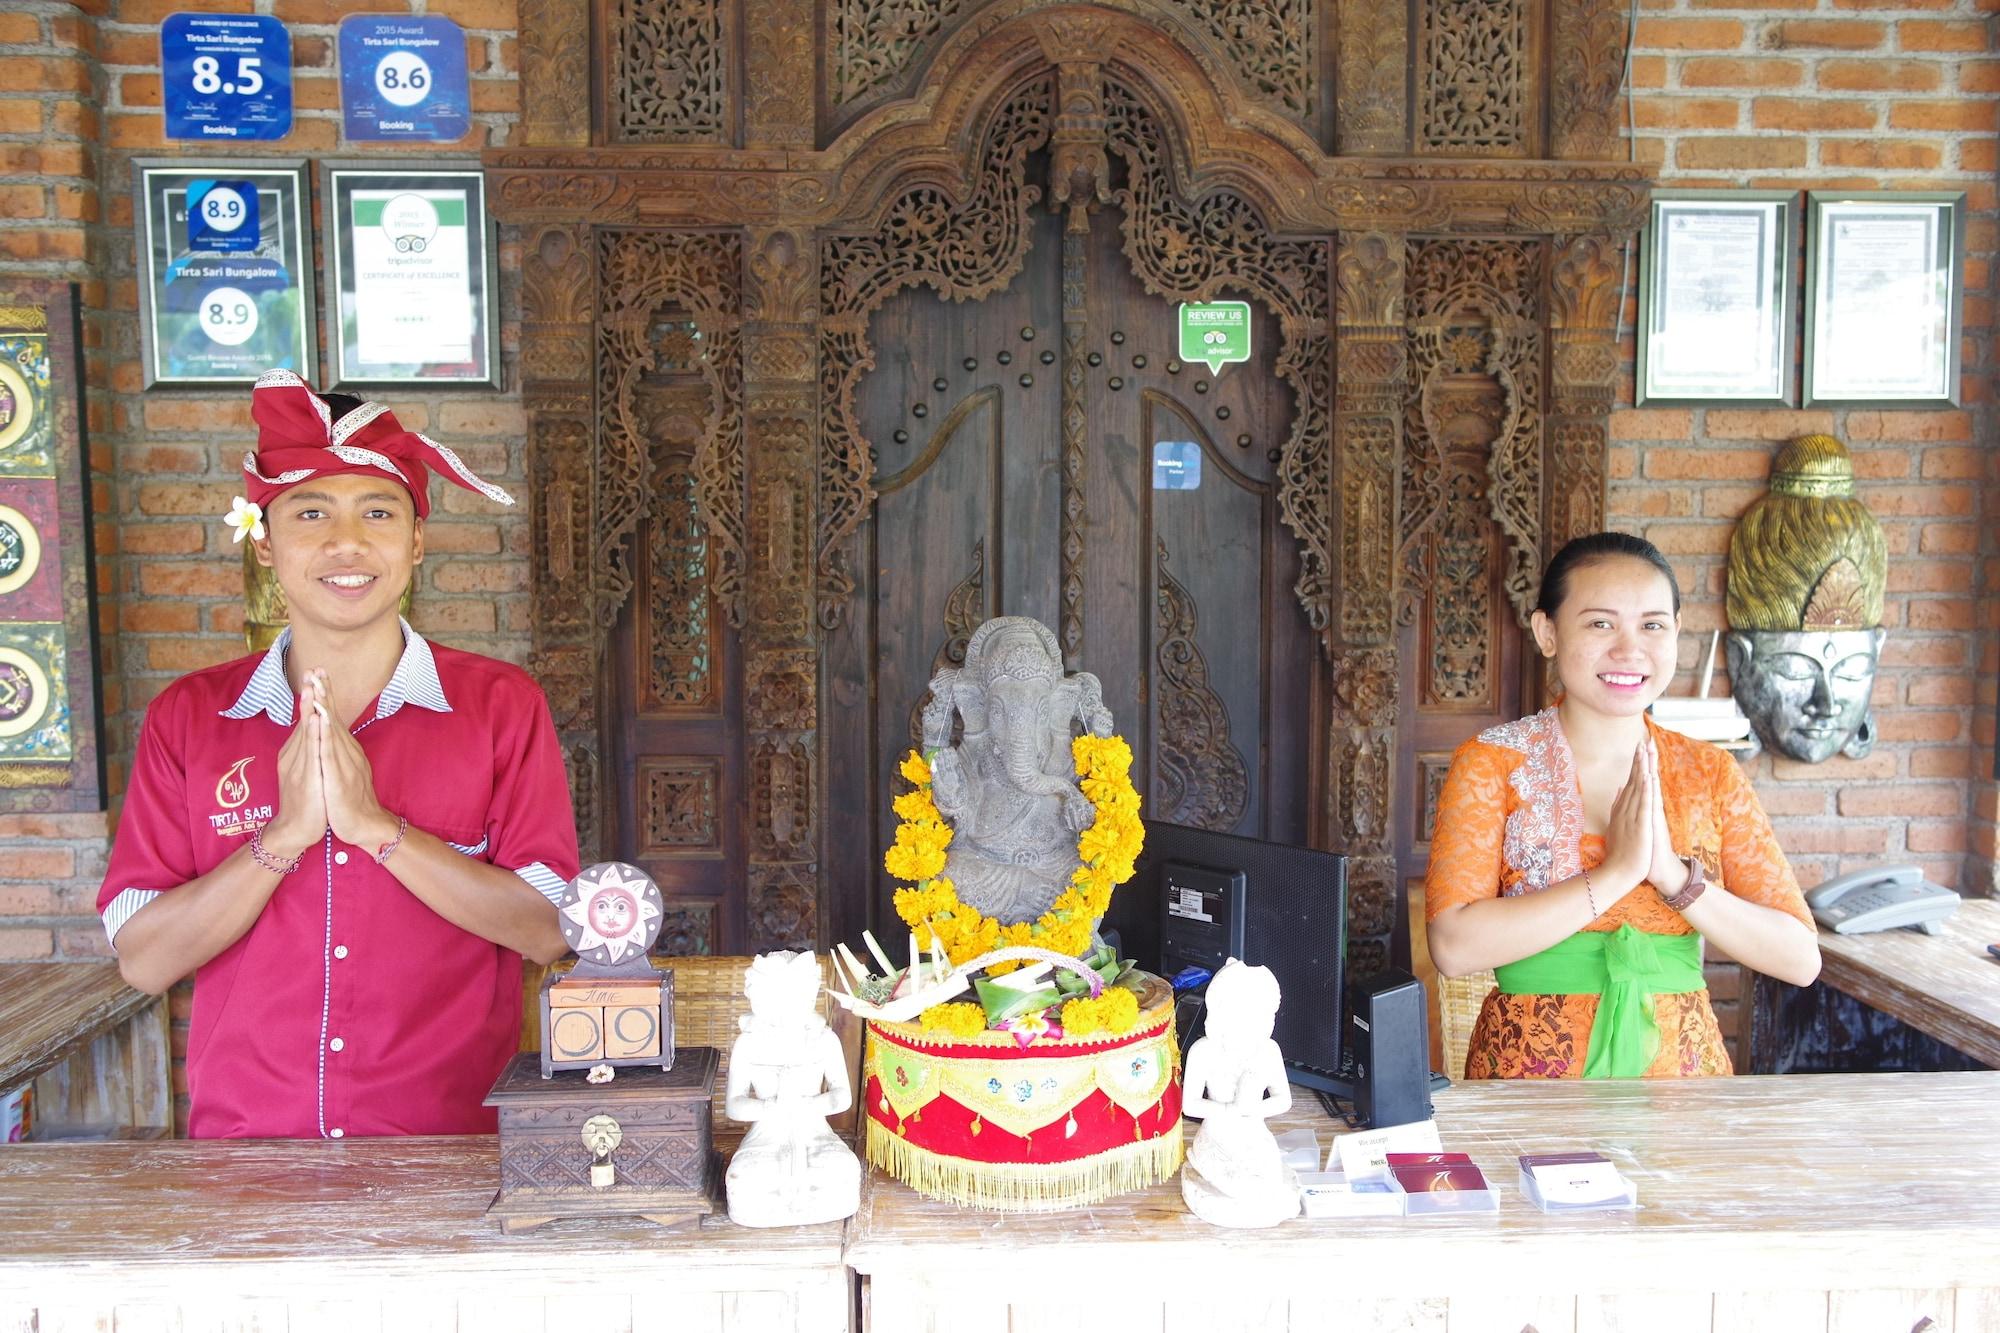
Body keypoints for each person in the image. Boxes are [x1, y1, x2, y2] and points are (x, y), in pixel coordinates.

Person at [96, 370, 578, 1137]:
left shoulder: (498, 706)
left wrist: (376, 828)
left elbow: (549, 927)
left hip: (449, 1154)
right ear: (264, 539)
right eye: (310, 509)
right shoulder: (190, 719)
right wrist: (281, 837)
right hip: (247, 1162)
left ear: (416, 540)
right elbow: (144, 959)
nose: (345, 542)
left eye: (378, 511)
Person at [1425, 532, 1820, 1079]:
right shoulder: (1491, 763)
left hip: (1684, 1089)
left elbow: (1799, 959)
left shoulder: (1711, 773)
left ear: (1677, 633)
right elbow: (1453, 947)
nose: (1629, 649)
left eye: (1652, 625)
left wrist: (1672, 876)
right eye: (1600, 623)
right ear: (1547, 632)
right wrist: (1615, 875)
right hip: (1527, 1085)